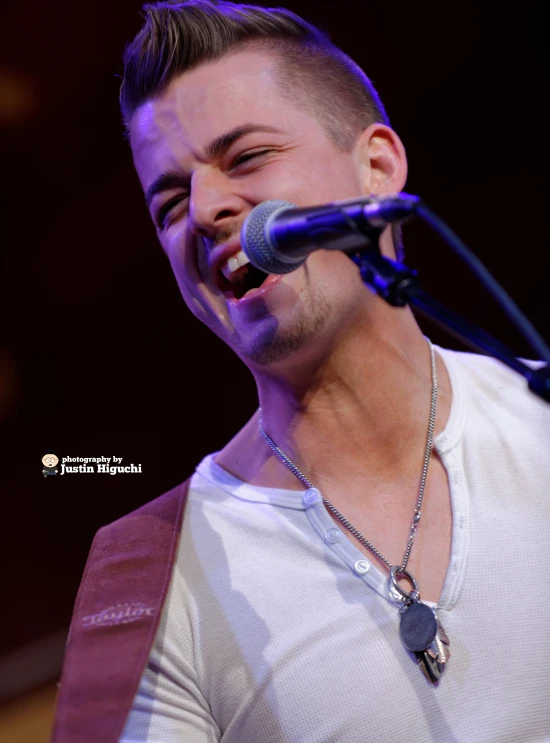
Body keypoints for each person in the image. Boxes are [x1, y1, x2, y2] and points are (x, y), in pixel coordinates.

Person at [51, 2, 550, 742]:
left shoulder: (539, 409)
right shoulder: (156, 582)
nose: (210, 209)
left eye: (247, 157)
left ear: (377, 166)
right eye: (169, 202)